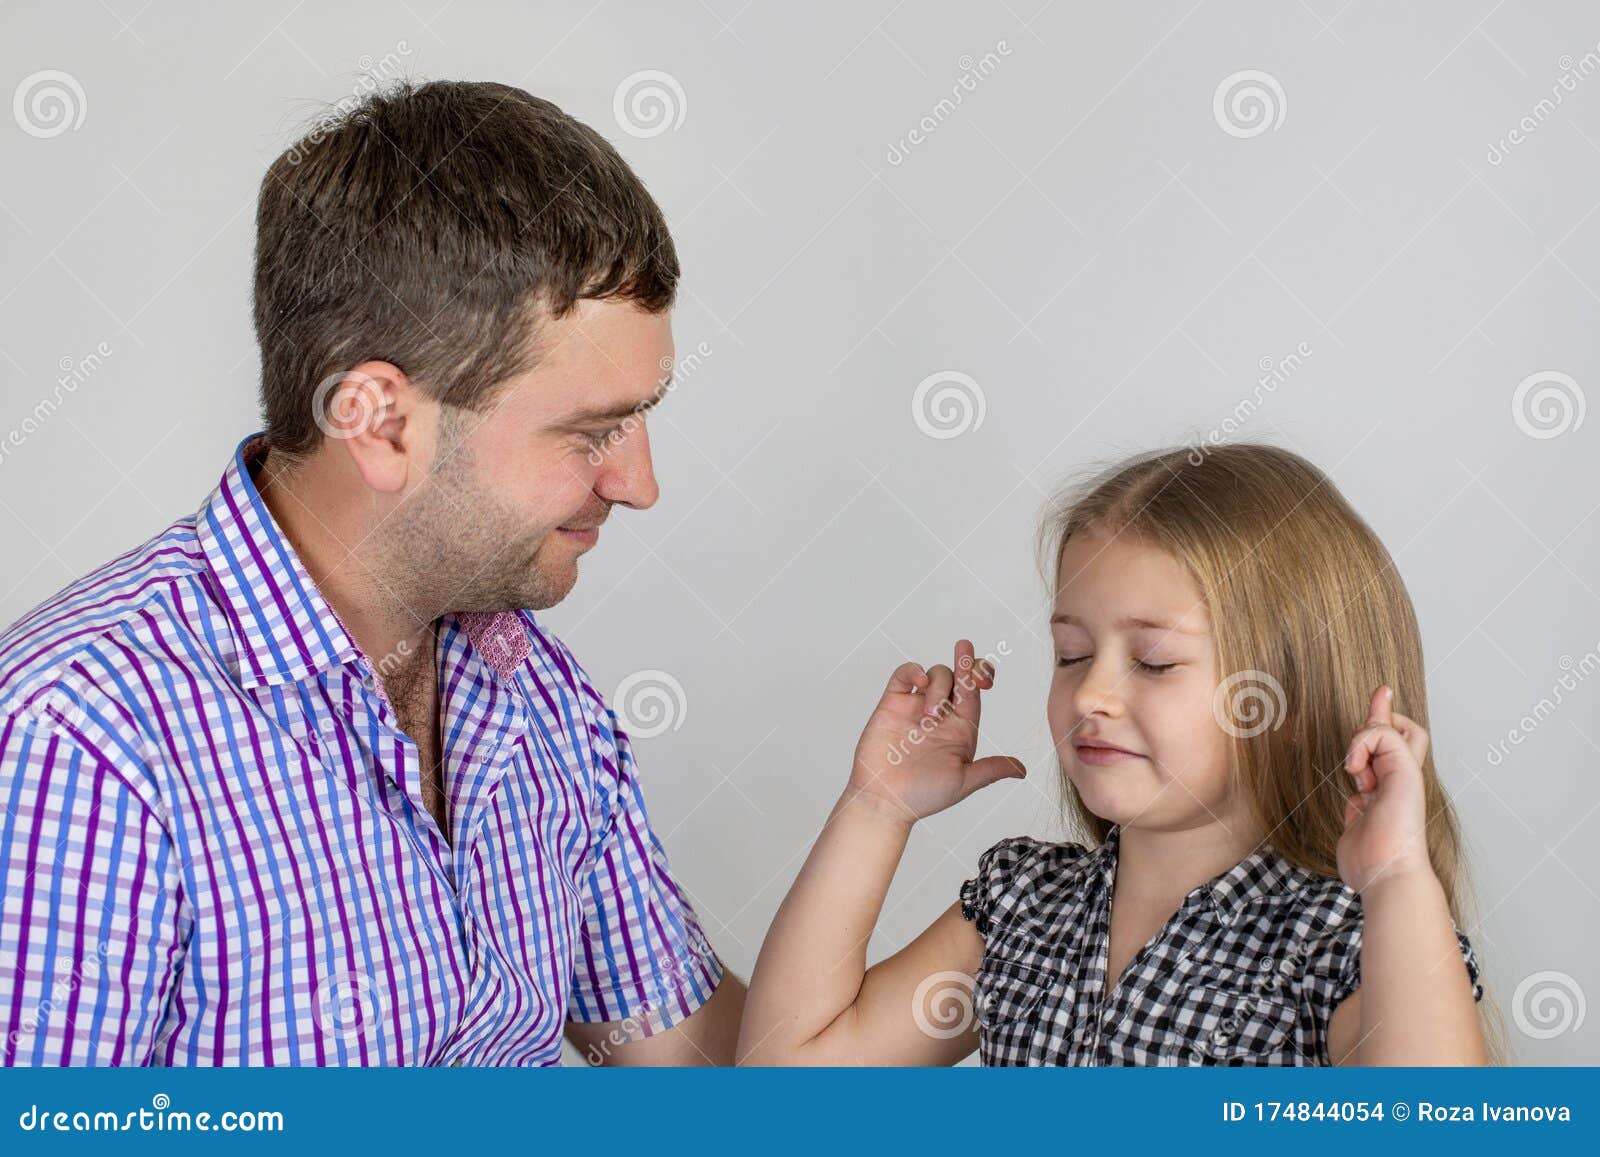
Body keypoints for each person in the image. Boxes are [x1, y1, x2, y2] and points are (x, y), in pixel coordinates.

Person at [0, 80, 743, 1066]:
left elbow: (700, 1074)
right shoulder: (81, 739)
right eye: (589, 430)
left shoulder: (536, 695)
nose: (637, 482)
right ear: (383, 422)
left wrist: (995, 912)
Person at [738, 443, 1496, 1066]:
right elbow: (787, 1079)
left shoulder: (1338, 943)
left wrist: (1397, 879)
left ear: (1287, 700)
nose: (1091, 693)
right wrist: (877, 806)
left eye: (1154, 662)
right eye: (1071, 653)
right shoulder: (1023, 908)